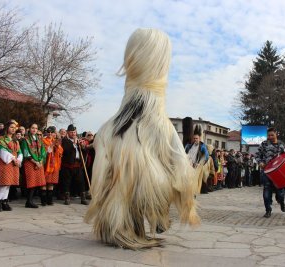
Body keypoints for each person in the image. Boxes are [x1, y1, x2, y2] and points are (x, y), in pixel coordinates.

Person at [85, 28, 200, 249]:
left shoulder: (110, 127)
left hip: (127, 159)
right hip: (150, 177)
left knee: (128, 191)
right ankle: (152, 217)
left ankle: (125, 225)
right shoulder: (161, 125)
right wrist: (186, 195)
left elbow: (101, 165)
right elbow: (179, 162)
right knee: (153, 184)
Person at [257, 127, 285, 218]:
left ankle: (281, 202)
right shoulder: (264, 144)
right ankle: (268, 210)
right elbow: (258, 155)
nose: (270, 137)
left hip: (278, 173)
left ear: (276, 134)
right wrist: (260, 162)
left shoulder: (282, 144)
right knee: (266, 192)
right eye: (268, 135)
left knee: (280, 193)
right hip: (267, 172)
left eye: (272, 135)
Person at [0, 121, 23, 212]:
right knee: (4, 183)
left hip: (14, 164)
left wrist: (19, 159)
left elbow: (20, 152)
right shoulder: (2, 139)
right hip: (5, 163)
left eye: (14, 127)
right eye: (11, 127)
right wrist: (13, 158)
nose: (13, 129)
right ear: (7, 128)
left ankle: (4, 201)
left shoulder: (15, 140)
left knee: (9, 184)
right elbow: (1, 150)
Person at [60, 124, 88, 205]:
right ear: (68, 132)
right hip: (67, 165)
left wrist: (82, 147)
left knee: (81, 181)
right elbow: (67, 150)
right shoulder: (64, 140)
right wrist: (74, 144)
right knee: (67, 182)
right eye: (71, 132)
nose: (73, 134)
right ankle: (67, 198)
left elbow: (83, 152)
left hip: (77, 164)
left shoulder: (79, 140)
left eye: (74, 132)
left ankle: (83, 198)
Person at [21, 123, 47, 208]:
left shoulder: (39, 140)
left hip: (39, 162)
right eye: (33, 128)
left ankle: (29, 201)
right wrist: (35, 162)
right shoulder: (26, 139)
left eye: (36, 128)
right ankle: (29, 201)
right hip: (30, 162)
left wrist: (41, 160)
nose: (34, 130)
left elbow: (43, 151)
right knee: (31, 182)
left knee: (36, 182)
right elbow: (26, 152)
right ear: (29, 129)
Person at [41, 126, 63, 205]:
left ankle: (49, 200)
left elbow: (61, 151)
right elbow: (45, 151)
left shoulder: (56, 141)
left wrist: (57, 146)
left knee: (51, 182)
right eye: (48, 132)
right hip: (46, 164)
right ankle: (43, 200)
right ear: (46, 132)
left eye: (52, 132)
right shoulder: (43, 140)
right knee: (44, 182)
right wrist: (51, 145)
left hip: (55, 164)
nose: (50, 134)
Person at [185, 124, 209, 194]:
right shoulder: (188, 146)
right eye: (194, 138)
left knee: (194, 182)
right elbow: (185, 154)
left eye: (197, 138)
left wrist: (199, 164)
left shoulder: (202, 146)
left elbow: (206, 156)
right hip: (188, 165)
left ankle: (193, 194)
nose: (195, 139)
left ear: (199, 138)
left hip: (196, 167)